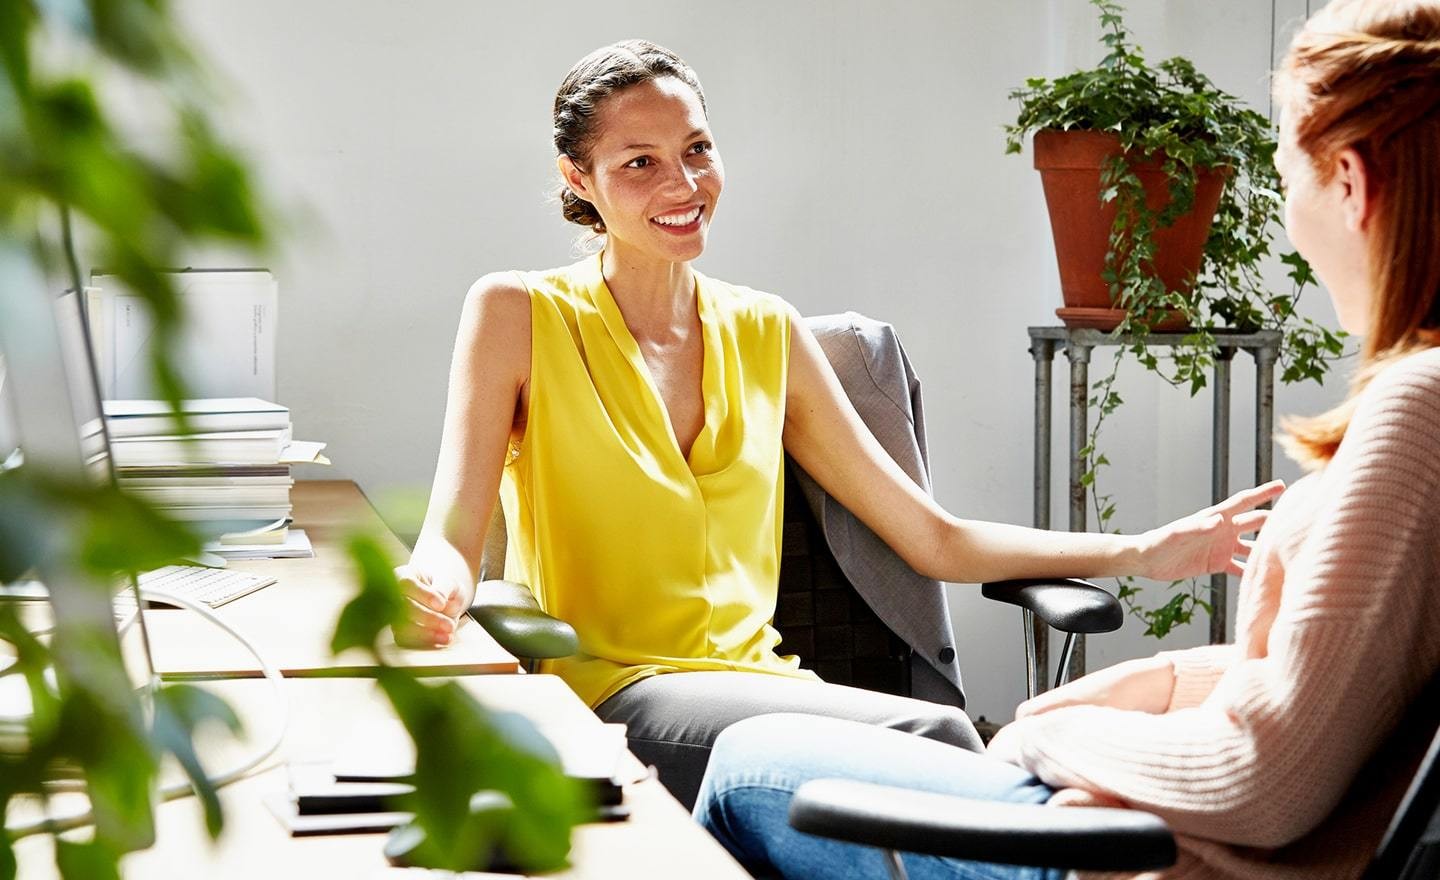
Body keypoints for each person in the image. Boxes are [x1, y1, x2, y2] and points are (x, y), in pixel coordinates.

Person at [395, 40, 1279, 809]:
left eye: (697, 149)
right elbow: (450, 535)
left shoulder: (766, 331)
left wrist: (1147, 549)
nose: (684, 184)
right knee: (939, 738)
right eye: (641, 162)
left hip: (770, 690)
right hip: (617, 692)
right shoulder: (517, 312)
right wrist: (428, 582)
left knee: (982, 750)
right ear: (578, 179)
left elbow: (932, 538)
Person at [692, 0, 1440, 876]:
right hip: (1144, 829)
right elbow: (1348, 687)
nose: (1281, 212)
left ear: (1348, 182)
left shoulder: (1414, 414)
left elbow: (1263, 783)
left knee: (748, 767)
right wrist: (1164, 683)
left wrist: (1052, 734)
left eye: (1283, 170)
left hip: (1130, 858)